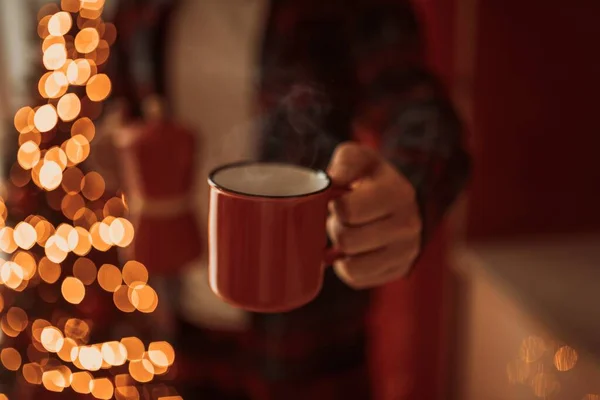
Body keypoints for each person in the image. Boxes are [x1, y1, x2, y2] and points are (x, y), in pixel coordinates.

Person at [104, 0, 471, 398]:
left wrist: (409, 186)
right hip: (181, 326)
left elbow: (420, 111)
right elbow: (117, 111)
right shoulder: (137, 9)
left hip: (312, 341)